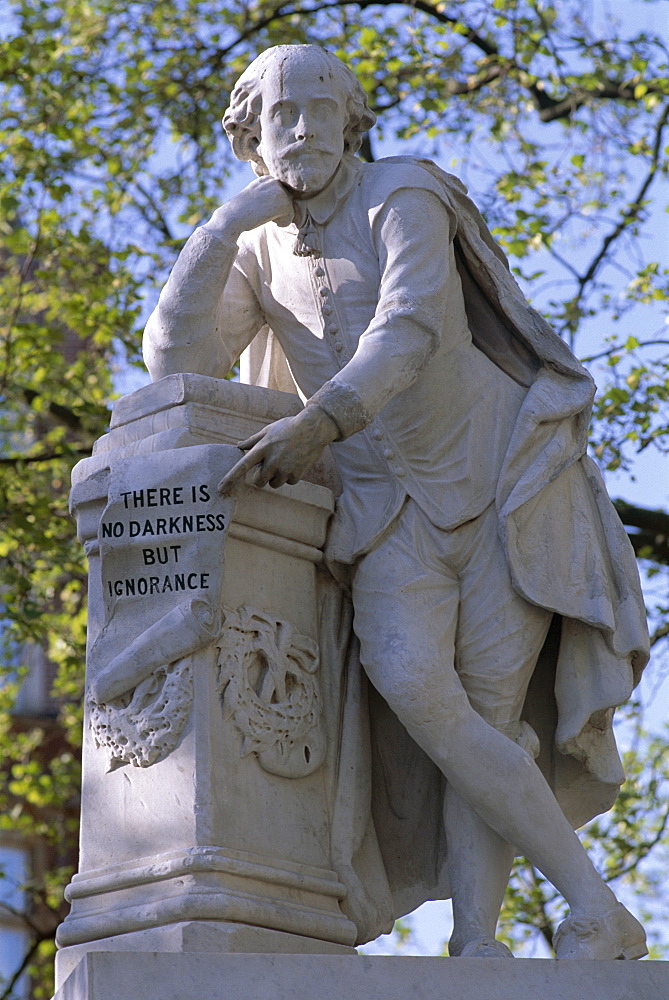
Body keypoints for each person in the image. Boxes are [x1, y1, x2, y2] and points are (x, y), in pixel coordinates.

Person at [143, 44, 650, 959]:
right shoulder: (256, 245)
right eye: (279, 114)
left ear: (350, 119)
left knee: (484, 720)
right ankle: (597, 906)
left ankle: (476, 945)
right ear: (251, 133)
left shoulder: (402, 192)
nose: (300, 128)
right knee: (419, 690)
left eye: (317, 110)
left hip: (498, 488)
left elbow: (408, 325)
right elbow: (175, 364)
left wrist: (322, 421)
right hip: (382, 513)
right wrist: (219, 231)